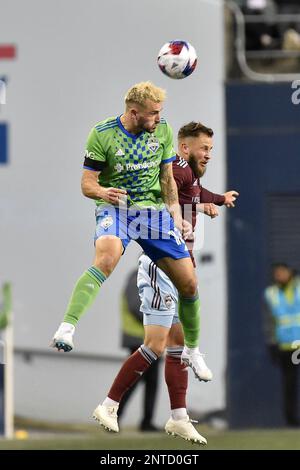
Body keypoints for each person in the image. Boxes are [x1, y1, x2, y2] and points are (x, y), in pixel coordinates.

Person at [51, 82, 211, 384]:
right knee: (107, 259)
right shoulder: (103, 134)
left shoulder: (161, 130)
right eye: (154, 113)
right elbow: (87, 184)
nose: (159, 118)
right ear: (135, 113)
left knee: (189, 284)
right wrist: (102, 191)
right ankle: (67, 327)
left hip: (152, 213)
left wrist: (176, 215)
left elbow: (167, 177)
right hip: (117, 209)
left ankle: (193, 349)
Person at [92, 122, 239, 445]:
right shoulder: (178, 168)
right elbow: (164, 190)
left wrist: (211, 202)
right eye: (205, 149)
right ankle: (109, 405)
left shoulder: (188, 177)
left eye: (211, 150)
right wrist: (179, 212)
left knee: (176, 345)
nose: (209, 155)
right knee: (156, 346)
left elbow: (192, 194)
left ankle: (179, 417)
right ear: (185, 149)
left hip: (176, 263)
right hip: (161, 266)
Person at [118, 268, 161, 432]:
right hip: (138, 338)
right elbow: (135, 306)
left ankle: (147, 422)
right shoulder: (137, 278)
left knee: (151, 381)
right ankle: (113, 416)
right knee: (133, 381)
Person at [264, 263, 300, 427]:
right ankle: (291, 420)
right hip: (287, 347)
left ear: (290, 272)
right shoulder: (271, 293)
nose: (280, 276)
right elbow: (269, 322)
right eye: (277, 273)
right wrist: (272, 344)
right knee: (289, 384)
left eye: (282, 272)